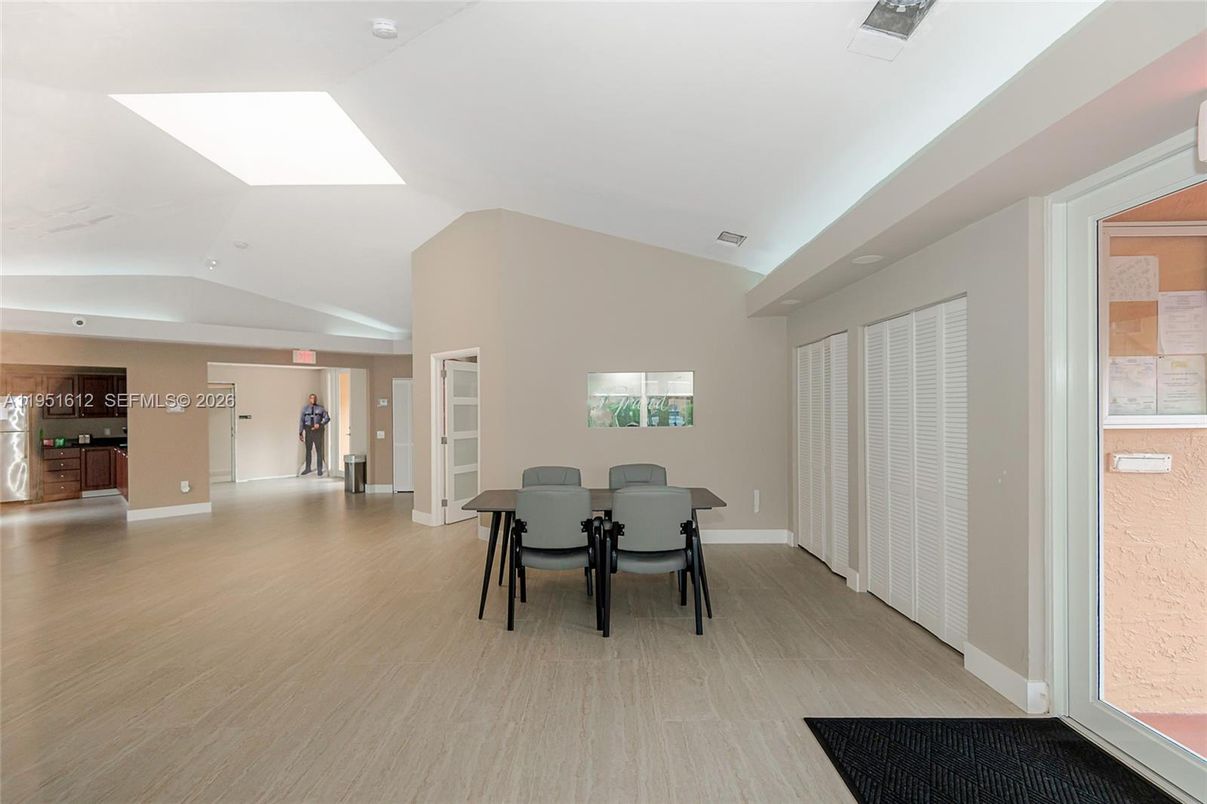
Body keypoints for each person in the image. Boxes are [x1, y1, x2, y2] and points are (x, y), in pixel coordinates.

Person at [298, 393, 331, 476]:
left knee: (319, 450)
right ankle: (307, 468)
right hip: (308, 430)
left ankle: (319, 469)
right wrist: (300, 432)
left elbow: (327, 418)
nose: (313, 400)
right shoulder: (305, 409)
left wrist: (320, 424)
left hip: (317, 431)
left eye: (315, 398)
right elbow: (301, 421)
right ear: (309, 399)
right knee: (308, 450)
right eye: (312, 398)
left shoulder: (321, 409)